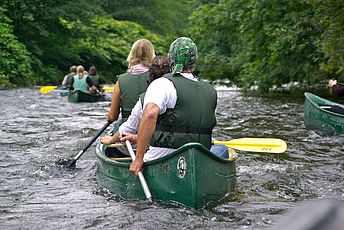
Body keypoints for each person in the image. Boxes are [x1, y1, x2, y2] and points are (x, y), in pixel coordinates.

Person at [129, 37, 227, 176]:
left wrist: (138, 159)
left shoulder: (161, 84)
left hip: (163, 159)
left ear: (170, 59)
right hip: (199, 159)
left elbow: (150, 114)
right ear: (195, 61)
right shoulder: (210, 90)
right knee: (221, 149)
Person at [101, 56, 170, 147]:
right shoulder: (177, 93)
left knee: (119, 124)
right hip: (171, 143)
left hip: (151, 147)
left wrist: (111, 140)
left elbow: (125, 126)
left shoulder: (145, 99)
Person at [107, 39, 156, 127]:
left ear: (132, 55)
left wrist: (108, 116)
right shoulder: (158, 78)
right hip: (151, 127)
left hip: (127, 127)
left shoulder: (121, 80)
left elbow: (112, 117)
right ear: (152, 55)